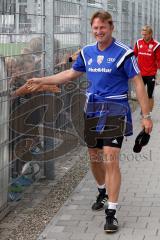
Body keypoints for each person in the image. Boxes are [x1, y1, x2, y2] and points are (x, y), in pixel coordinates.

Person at [27, 11, 153, 233]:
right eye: (95, 28)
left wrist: (146, 116)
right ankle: (102, 191)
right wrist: (42, 80)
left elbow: (138, 83)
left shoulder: (124, 53)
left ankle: (111, 213)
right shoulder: (86, 52)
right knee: (94, 157)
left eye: (102, 28)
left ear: (111, 27)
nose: (98, 32)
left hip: (116, 109)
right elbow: (69, 75)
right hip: (92, 109)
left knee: (110, 159)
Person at [134, 25, 160, 112]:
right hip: (140, 74)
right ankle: (144, 109)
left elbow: (159, 60)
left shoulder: (156, 45)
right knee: (141, 94)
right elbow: (134, 56)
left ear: (150, 34)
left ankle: (148, 113)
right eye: (142, 34)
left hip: (151, 74)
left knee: (149, 94)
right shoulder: (138, 43)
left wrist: (158, 75)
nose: (143, 36)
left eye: (145, 34)